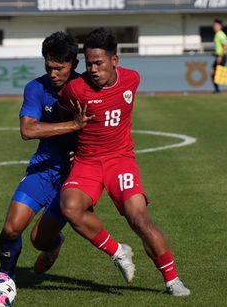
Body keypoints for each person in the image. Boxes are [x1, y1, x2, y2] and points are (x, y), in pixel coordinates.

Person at [58, 28, 191, 296]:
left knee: (140, 219)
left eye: (99, 63)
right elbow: (65, 116)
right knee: (70, 208)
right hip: (87, 162)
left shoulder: (132, 79)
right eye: (89, 64)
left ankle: (172, 279)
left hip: (121, 160)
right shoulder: (74, 89)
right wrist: (71, 145)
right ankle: (118, 251)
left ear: (114, 61)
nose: (93, 69)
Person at [0, 31, 99, 278]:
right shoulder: (35, 88)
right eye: (48, 67)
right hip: (43, 169)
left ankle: (53, 245)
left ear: (74, 64)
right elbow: (28, 129)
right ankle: (5, 281)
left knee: (39, 241)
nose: (53, 74)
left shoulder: (87, 89)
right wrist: (73, 126)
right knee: (11, 229)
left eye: (59, 68)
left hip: (74, 178)